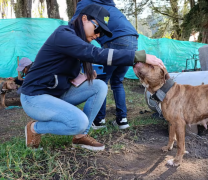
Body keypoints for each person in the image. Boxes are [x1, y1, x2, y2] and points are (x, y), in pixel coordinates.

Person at [21, 4, 164, 151]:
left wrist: (80, 76)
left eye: (101, 33)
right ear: (84, 19)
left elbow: (62, 71)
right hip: (34, 97)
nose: (98, 35)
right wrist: (139, 56)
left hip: (56, 94)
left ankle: (80, 136)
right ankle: (35, 128)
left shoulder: (79, 41)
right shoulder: (64, 34)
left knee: (99, 86)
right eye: (97, 28)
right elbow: (96, 54)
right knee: (79, 122)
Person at [71, 0, 139, 130]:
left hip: (116, 39)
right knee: (117, 81)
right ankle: (122, 120)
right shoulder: (110, 6)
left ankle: (99, 120)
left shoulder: (85, 2)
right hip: (133, 39)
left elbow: (74, 25)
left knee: (101, 80)